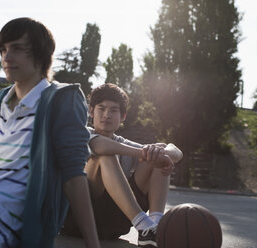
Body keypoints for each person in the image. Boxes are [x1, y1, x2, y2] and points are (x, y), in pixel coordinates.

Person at [0, 17, 100, 248]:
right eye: (3, 49)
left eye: (17, 49)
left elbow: (73, 177)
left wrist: (94, 245)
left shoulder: (60, 100)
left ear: (41, 56)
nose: (6, 57)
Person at [62, 83, 183, 248]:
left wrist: (162, 154)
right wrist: (143, 153)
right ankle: (144, 224)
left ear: (123, 116)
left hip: (113, 222)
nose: (107, 115)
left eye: (113, 110)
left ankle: (154, 228)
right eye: (101, 108)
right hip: (79, 219)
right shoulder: (82, 133)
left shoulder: (123, 144)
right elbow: (99, 146)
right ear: (91, 111)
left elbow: (175, 151)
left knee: (156, 156)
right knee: (105, 157)